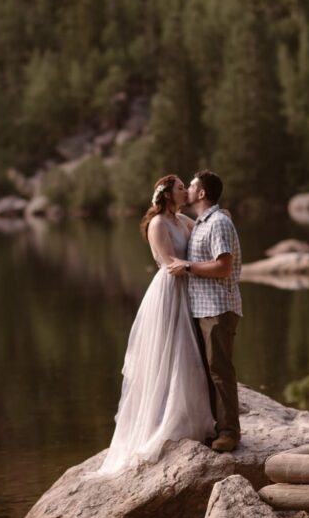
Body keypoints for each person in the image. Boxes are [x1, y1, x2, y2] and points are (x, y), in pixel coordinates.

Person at [95, 174, 215, 476]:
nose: (185, 190)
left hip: (187, 288)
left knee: (189, 353)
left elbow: (201, 233)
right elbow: (170, 263)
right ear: (166, 194)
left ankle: (195, 418)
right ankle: (165, 420)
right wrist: (195, 269)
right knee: (171, 351)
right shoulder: (159, 224)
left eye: (186, 187)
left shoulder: (182, 220)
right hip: (170, 292)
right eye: (179, 188)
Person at [168, 170, 242, 452]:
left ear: (201, 194)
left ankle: (229, 433)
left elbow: (223, 267)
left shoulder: (219, 223)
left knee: (220, 370)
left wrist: (187, 266)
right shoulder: (200, 223)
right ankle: (215, 426)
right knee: (208, 371)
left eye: (192, 186)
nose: (186, 190)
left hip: (218, 308)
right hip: (202, 308)